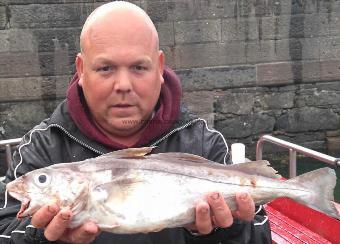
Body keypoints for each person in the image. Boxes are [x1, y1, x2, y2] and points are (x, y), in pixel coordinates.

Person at [0, 1, 271, 243]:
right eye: (105, 68)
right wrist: (42, 239)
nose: (123, 85)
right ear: (82, 70)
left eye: (139, 68)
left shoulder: (202, 142)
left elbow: (260, 234)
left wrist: (221, 231)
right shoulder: (43, 147)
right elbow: (6, 229)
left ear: (159, 66)